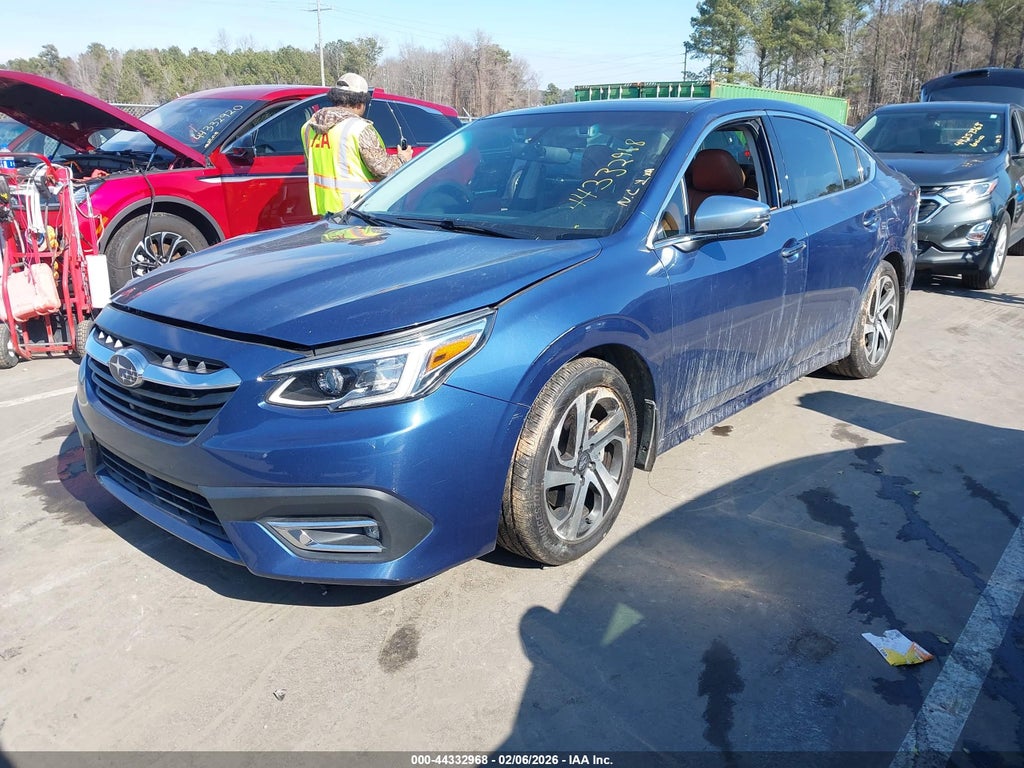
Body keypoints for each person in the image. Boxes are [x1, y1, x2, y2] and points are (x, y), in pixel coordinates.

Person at [301, 72, 414, 215]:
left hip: (325, 213)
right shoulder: (359, 129)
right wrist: (402, 158)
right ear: (360, 102)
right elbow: (382, 169)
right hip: (358, 214)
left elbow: (310, 164)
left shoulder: (308, 128)